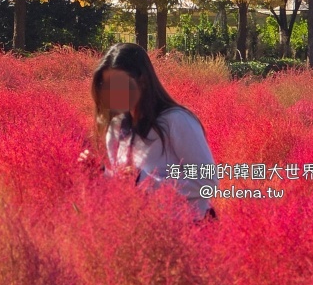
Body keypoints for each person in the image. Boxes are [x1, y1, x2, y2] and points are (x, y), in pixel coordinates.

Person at [79, 42, 219, 222]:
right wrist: (101, 173)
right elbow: (124, 186)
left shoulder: (176, 121)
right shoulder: (116, 128)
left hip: (191, 227)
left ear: (143, 81)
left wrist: (144, 180)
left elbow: (208, 182)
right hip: (144, 230)